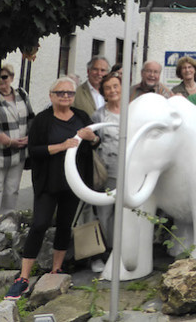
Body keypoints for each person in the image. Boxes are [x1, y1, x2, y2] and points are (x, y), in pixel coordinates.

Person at [5, 77, 99, 300]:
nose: (66, 96)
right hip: (49, 182)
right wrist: (62, 146)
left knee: (65, 225)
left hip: (74, 182)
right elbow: (34, 151)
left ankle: (56, 269)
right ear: (51, 96)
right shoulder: (42, 120)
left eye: (70, 93)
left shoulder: (82, 117)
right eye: (61, 93)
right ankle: (23, 278)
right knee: (40, 224)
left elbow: (96, 143)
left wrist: (92, 137)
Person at [0, 64, 35, 216]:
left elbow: (31, 118)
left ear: (11, 77)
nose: (1, 80)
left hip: (20, 151)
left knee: (12, 188)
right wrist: (8, 141)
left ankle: (8, 219)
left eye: (4, 76)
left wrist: (30, 136)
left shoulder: (21, 94)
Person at [90, 71, 122, 272]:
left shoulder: (131, 111)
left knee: (125, 213)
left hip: (130, 172)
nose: (112, 91)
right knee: (104, 213)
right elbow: (95, 142)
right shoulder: (99, 115)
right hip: (108, 171)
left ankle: (120, 251)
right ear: (103, 92)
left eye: (115, 86)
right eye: (108, 88)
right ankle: (102, 253)